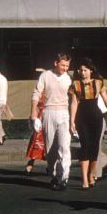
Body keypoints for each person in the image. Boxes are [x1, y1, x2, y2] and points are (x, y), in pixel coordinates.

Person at [69, 58, 107, 189]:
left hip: (96, 117)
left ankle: (91, 174)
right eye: (81, 70)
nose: (83, 72)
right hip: (81, 118)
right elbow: (74, 103)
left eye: (85, 70)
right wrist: (72, 120)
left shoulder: (98, 83)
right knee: (85, 147)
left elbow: (105, 98)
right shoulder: (75, 85)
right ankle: (84, 179)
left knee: (94, 148)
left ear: (90, 70)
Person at [30, 53, 72, 190]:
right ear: (56, 63)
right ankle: (54, 175)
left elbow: (74, 100)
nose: (65, 68)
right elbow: (36, 94)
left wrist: (74, 120)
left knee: (64, 146)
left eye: (67, 66)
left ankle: (64, 177)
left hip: (64, 113)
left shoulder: (69, 78)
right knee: (50, 149)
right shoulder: (45, 76)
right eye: (63, 65)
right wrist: (34, 115)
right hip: (48, 112)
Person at [25, 92, 46, 174]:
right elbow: (35, 104)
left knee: (51, 142)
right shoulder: (40, 90)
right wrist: (34, 118)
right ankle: (31, 162)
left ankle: (51, 166)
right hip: (41, 117)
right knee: (38, 141)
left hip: (53, 116)